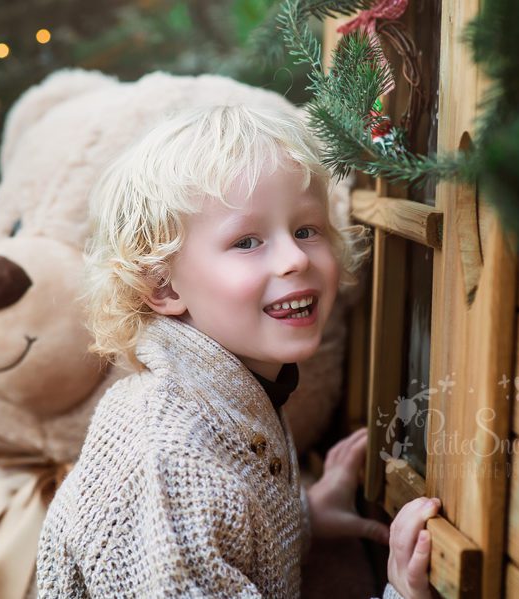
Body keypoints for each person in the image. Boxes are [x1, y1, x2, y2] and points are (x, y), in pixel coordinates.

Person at [36, 104, 440, 599]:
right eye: (247, 241)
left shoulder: (231, 391)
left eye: (306, 230)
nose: (294, 258)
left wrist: (306, 516)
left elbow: (226, 540)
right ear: (162, 286)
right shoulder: (171, 466)